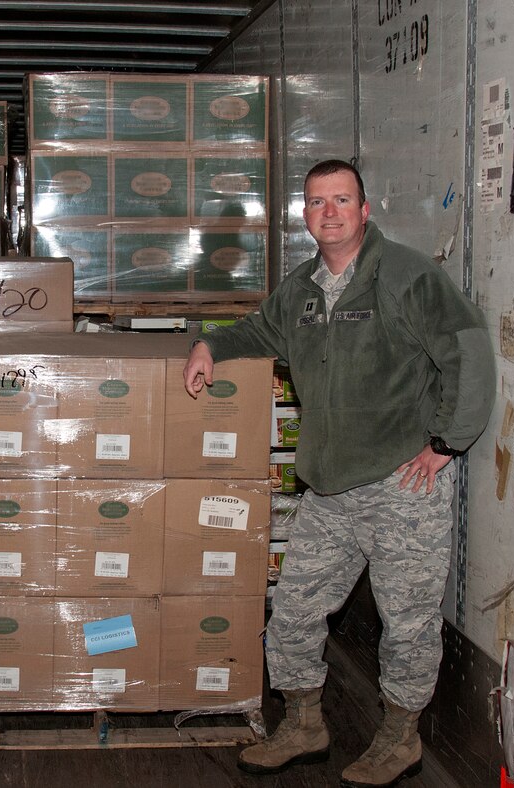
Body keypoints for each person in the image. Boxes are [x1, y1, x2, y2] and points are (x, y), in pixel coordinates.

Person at [183, 159, 495, 787]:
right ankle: (303, 724)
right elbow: (259, 329)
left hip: (400, 485)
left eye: (342, 200)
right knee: (294, 609)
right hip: (328, 486)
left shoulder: (406, 276)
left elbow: (468, 349)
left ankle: (401, 738)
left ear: (364, 209)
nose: (329, 213)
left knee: (406, 621)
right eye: (317, 202)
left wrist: (445, 443)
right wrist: (210, 345)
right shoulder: (300, 289)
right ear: (305, 215)